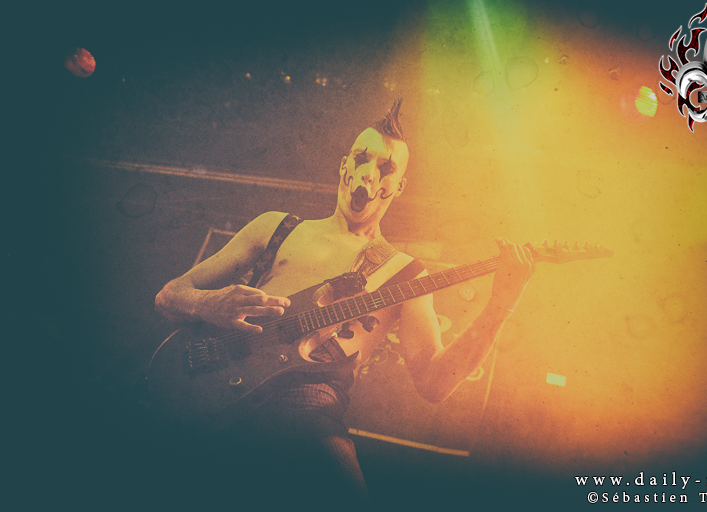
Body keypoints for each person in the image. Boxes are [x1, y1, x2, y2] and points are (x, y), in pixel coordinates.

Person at [154, 100, 535, 508]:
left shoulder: (405, 272)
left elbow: (434, 383)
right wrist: (208, 304)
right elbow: (169, 296)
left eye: (387, 167)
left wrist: (501, 305)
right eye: (362, 157)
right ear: (344, 165)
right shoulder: (277, 227)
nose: (370, 172)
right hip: (219, 385)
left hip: (308, 409)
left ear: (399, 186)